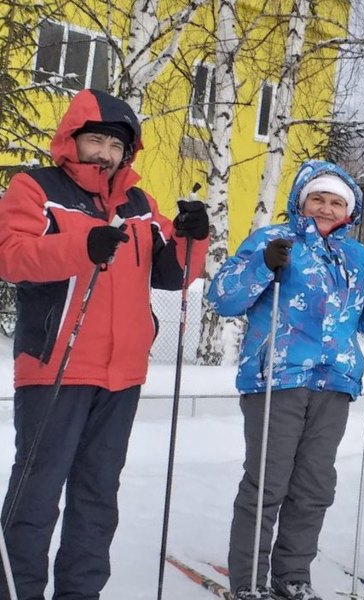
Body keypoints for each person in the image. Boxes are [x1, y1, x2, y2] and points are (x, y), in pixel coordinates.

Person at [0, 88, 209, 600]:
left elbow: (175, 275)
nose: (105, 154)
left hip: (122, 375)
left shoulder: (139, 203)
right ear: (72, 139)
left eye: (116, 146)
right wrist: (81, 245)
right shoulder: (35, 187)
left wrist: (191, 236)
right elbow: (11, 255)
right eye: (95, 140)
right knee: (37, 494)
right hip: (56, 366)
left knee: (97, 497)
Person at [207, 159, 364, 600]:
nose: (326, 208)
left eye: (336, 202)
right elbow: (223, 298)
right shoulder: (273, 240)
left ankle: (293, 575)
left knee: (314, 485)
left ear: (350, 211)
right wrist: (261, 267)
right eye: (318, 199)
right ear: (301, 201)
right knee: (268, 482)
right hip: (278, 377)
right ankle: (250, 581)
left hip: (335, 382)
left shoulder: (359, 257)